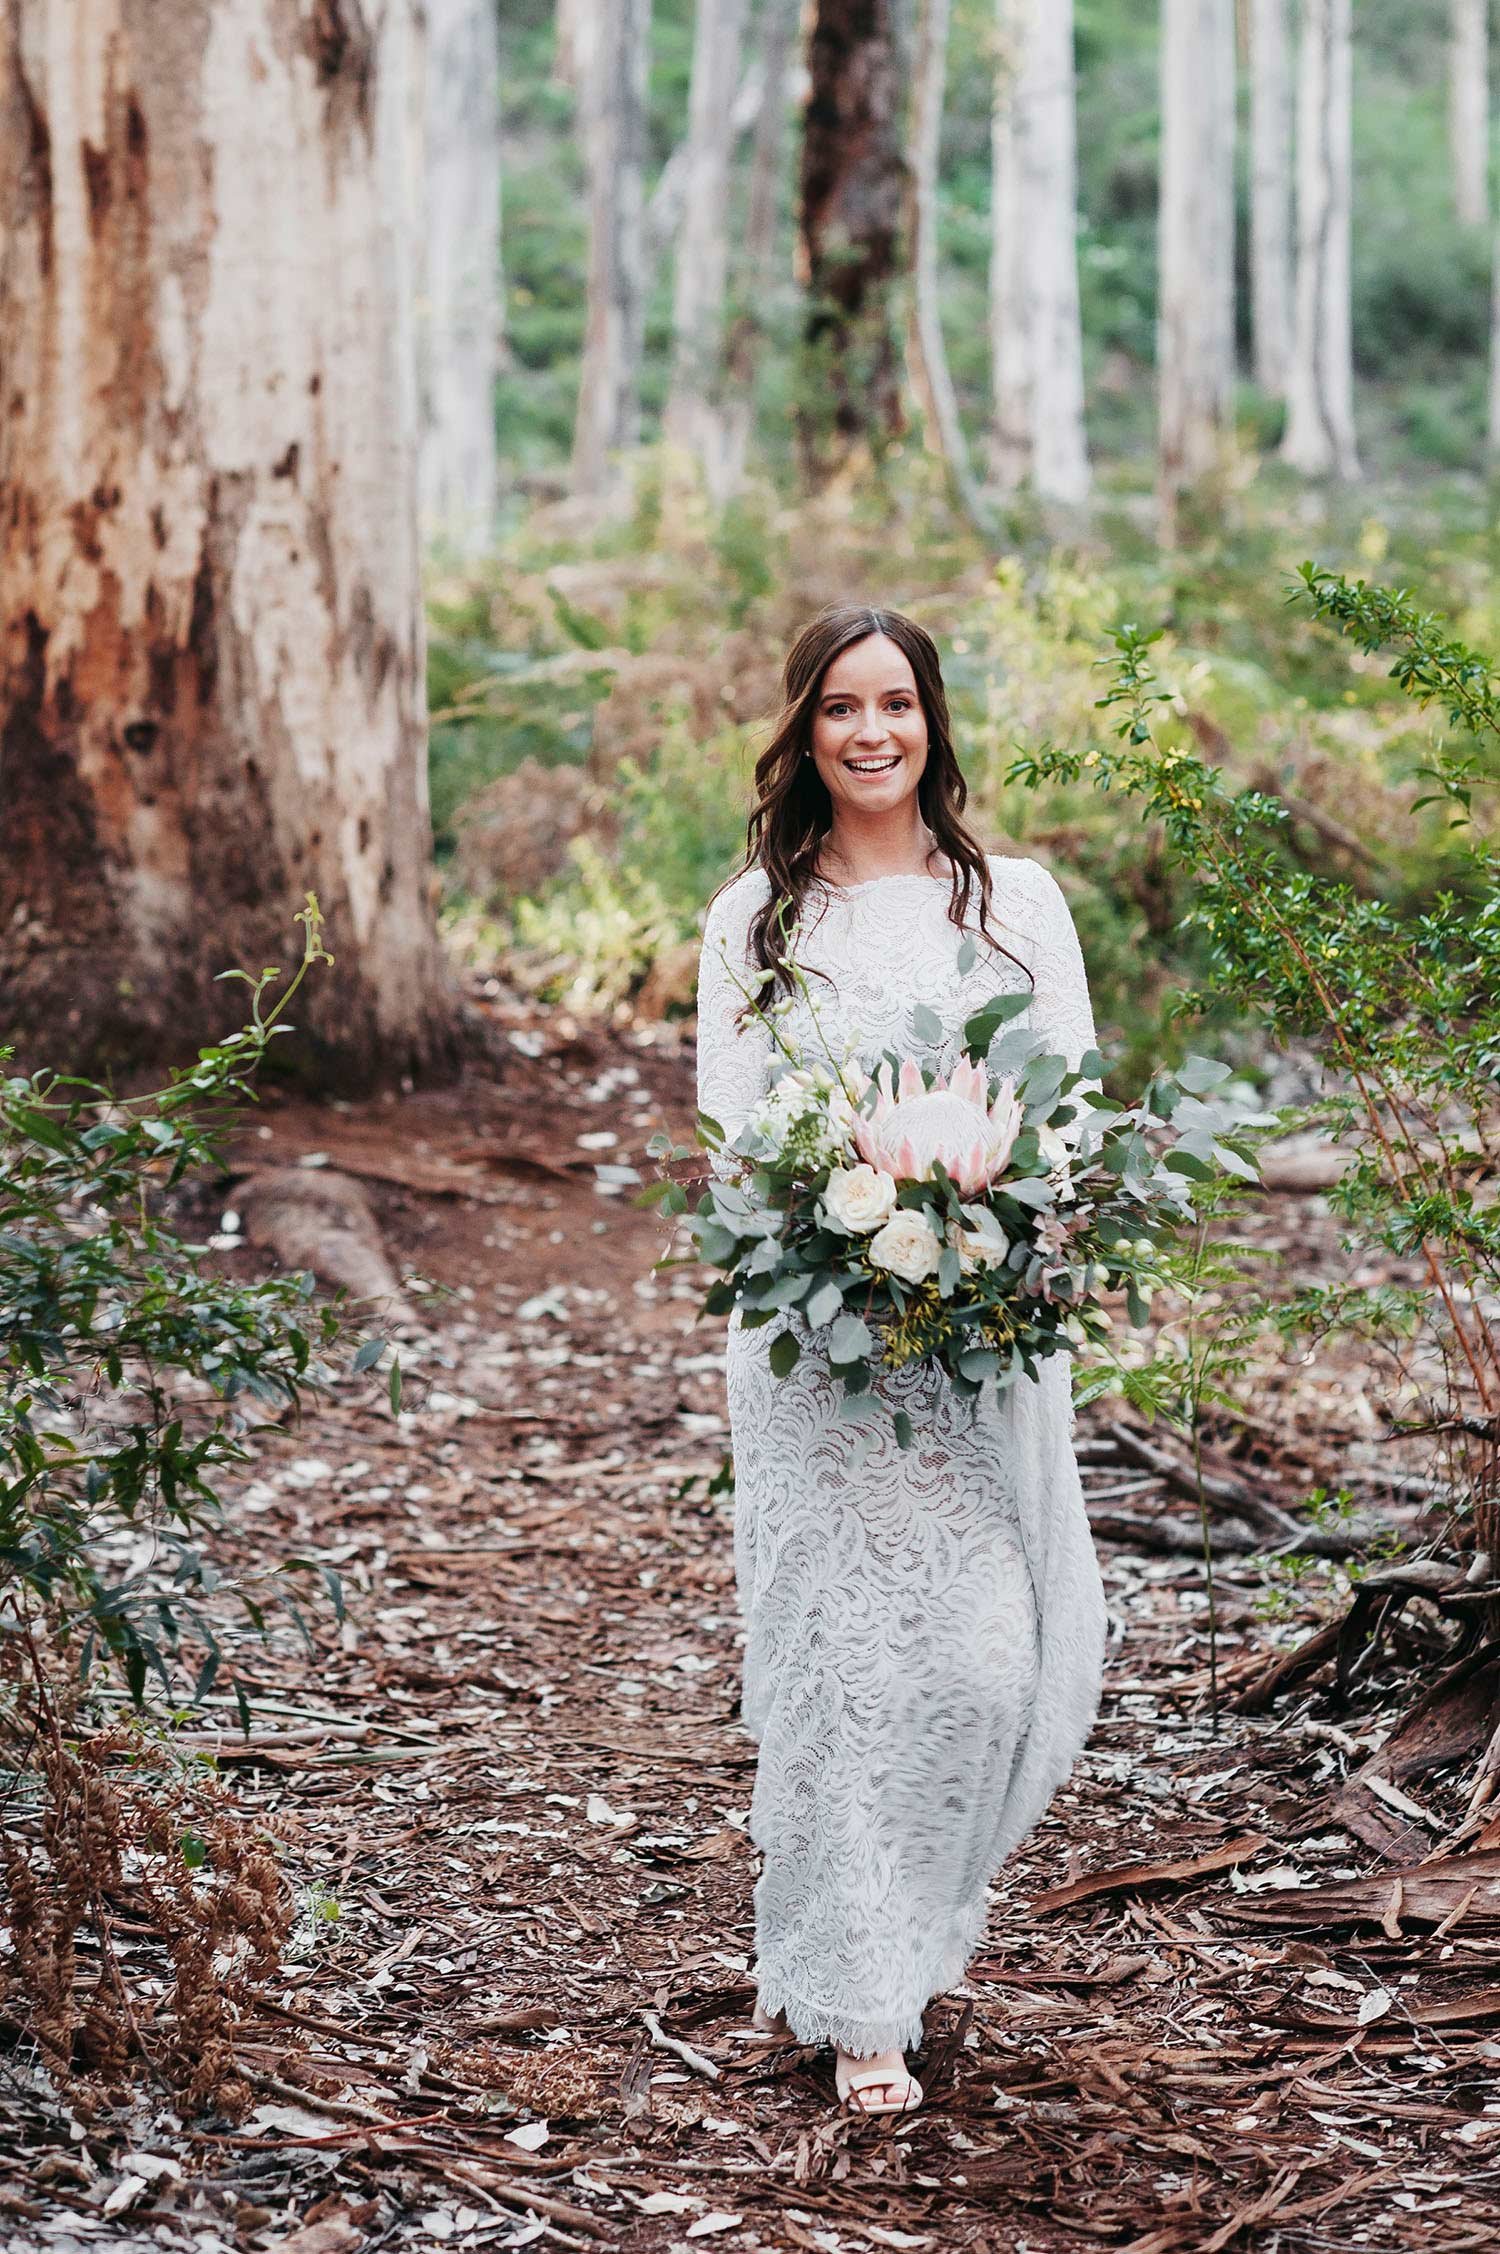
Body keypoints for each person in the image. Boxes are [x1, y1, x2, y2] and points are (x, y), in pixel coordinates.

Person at [693, 603, 1108, 2117]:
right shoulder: (756, 918)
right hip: (817, 1349)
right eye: (840, 710)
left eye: (898, 704)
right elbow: (736, 1133)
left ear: (933, 721)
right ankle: (862, 1995)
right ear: (804, 733)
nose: (872, 733)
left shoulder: (1016, 902)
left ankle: (916, 1924)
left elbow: (1068, 1110)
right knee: (842, 1662)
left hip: (980, 1337)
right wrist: (847, 1196)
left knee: (989, 1653)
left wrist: (990, 1184)